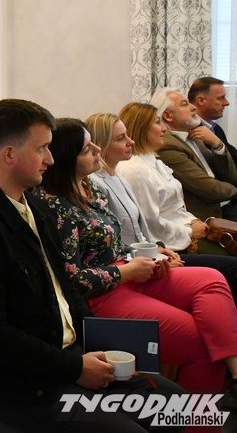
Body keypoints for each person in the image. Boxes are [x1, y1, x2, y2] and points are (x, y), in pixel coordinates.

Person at [0, 99, 183, 431]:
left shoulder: (32, 206)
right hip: (17, 383)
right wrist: (74, 368)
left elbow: (65, 288)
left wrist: (104, 344)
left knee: (175, 404)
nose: (50, 159)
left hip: (60, 355)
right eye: (42, 149)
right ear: (9, 155)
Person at [34, 118, 237, 393]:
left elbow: (113, 244)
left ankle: (234, 364)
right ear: (66, 159)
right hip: (101, 295)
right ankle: (192, 415)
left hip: (126, 272)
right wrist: (127, 271)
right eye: (86, 149)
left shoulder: (91, 187)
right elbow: (71, 280)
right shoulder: (54, 205)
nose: (97, 149)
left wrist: (145, 257)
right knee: (201, 342)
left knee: (211, 279)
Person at [86, 112, 237, 299]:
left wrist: (156, 249)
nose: (130, 141)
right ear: (100, 144)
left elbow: (141, 227)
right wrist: (158, 257)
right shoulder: (110, 179)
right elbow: (126, 236)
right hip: (134, 265)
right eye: (120, 138)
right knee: (225, 272)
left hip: (150, 253)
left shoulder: (117, 176)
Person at [115, 102, 227, 256]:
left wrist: (192, 221)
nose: (164, 129)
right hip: (166, 246)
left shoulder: (155, 162)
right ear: (142, 129)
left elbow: (174, 209)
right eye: (157, 122)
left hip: (181, 232)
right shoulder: (135, 169)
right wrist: (189, 232)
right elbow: (149, 222)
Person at [149, 87, 237, 221]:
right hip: (203, 219)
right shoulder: (167, 145)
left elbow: (230, 176)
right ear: (168, 116)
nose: (193, 107)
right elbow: (208, 188)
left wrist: (218, 144)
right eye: (185, 104)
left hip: (223, 207)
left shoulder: (195, 136)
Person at [190, 75, 237, 163]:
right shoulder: (187, 129)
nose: (227, 103)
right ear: (201, 100)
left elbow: (233, 156)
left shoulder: (216, 128)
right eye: (221, 98)